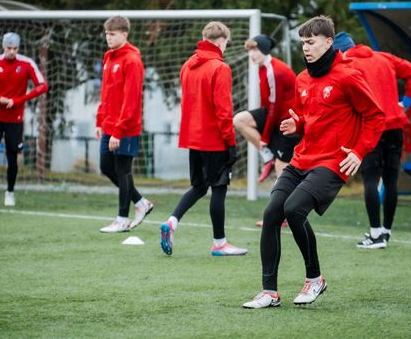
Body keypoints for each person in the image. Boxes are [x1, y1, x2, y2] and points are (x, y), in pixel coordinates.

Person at [242, 16, 385, 309]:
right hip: (303, 157)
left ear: (328, 42)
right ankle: (269, 292)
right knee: (272, 212)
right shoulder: (303, 79)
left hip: (333, 161)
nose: (306, 48)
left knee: (294, 209)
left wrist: (359, 151)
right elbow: (308, 118)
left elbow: (375, 116)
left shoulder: (348, 76)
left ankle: (315, 278)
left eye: (311, 42)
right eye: (303, 43)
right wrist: (297, 125)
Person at [159, 21, 247, 257]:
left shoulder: (187, 65)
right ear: (222, 41)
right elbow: (223, 111)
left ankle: (171, 222)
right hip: (214, 140)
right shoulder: (220, 68)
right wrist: (231, 143)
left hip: (193, 139)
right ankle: (219, 244)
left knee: (199, 187)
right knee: (218, 188)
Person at [333, 32, 411, 248]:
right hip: (395, 126)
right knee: (391, 181)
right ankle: (386, 231)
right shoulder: (384, 57)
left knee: (371, 180)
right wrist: (405, 103)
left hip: (371, 129)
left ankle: (375, 235)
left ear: (338, 50)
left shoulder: (346, 64)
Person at [234, 35, 300, 228]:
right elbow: (268, 105)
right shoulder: (262, 67)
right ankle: (267, 156)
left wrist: (264, 137)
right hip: (273, 115)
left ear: (264, 50)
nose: (251, 54)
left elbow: (275, 107)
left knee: (282, 172)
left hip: (288, 122)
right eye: (249, 50)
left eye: (255, 50)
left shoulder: (275, 71)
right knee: (239, 120)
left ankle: (281, 216)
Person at [95, 16, 153, 233]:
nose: (108, 38)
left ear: (124, 34)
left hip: (126, 128)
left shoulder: (132, 60)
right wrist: (100, 120)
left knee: (122, 170)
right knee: (106, 167)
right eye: (106, 34)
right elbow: (105, 92)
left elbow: (131, 100)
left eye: (112, 34)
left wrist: (118, 131)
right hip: (109, 125)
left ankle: (122, 219)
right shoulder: (108, 57)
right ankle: (141, 202)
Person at [0, 33, 48, 207]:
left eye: (15, 48)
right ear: (3, 47)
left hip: (15, 119)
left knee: (12, 157)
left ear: (18, 48)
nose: (12, 51)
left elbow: (43, 86)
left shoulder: (27, 64)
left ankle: (10, 192)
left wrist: (20, 100)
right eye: (9, 48)